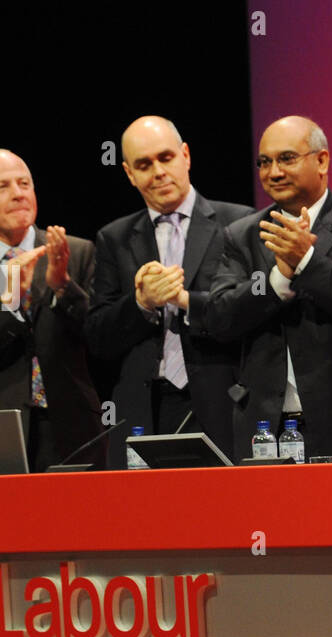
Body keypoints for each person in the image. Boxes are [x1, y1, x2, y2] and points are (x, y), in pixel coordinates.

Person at [205, 116, 332, 462]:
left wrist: (307, 261)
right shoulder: (242, 235)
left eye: (286, 159)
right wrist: (278, 279)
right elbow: (220, 317)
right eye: (264, 162)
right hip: (264, 427)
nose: (274, 172)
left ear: (322, 160)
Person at [88, 116, 253, 467]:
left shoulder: (238, 224)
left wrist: (186, 301)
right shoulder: (113, 238)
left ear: (186, 155)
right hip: (144, 411)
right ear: (129, 174)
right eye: (144, 165)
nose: (158, 172)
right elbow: (98, 337)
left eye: (166, 158)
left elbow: (249, 312)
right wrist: (140, 304)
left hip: (222, 403)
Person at [0, 149, 105, 472]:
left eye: (24, 184)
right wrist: (10, 304)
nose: (18, 194)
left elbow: (99, 340)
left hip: (74, 426)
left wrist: (63, 286)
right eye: (3, 187)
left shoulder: (77, 251)